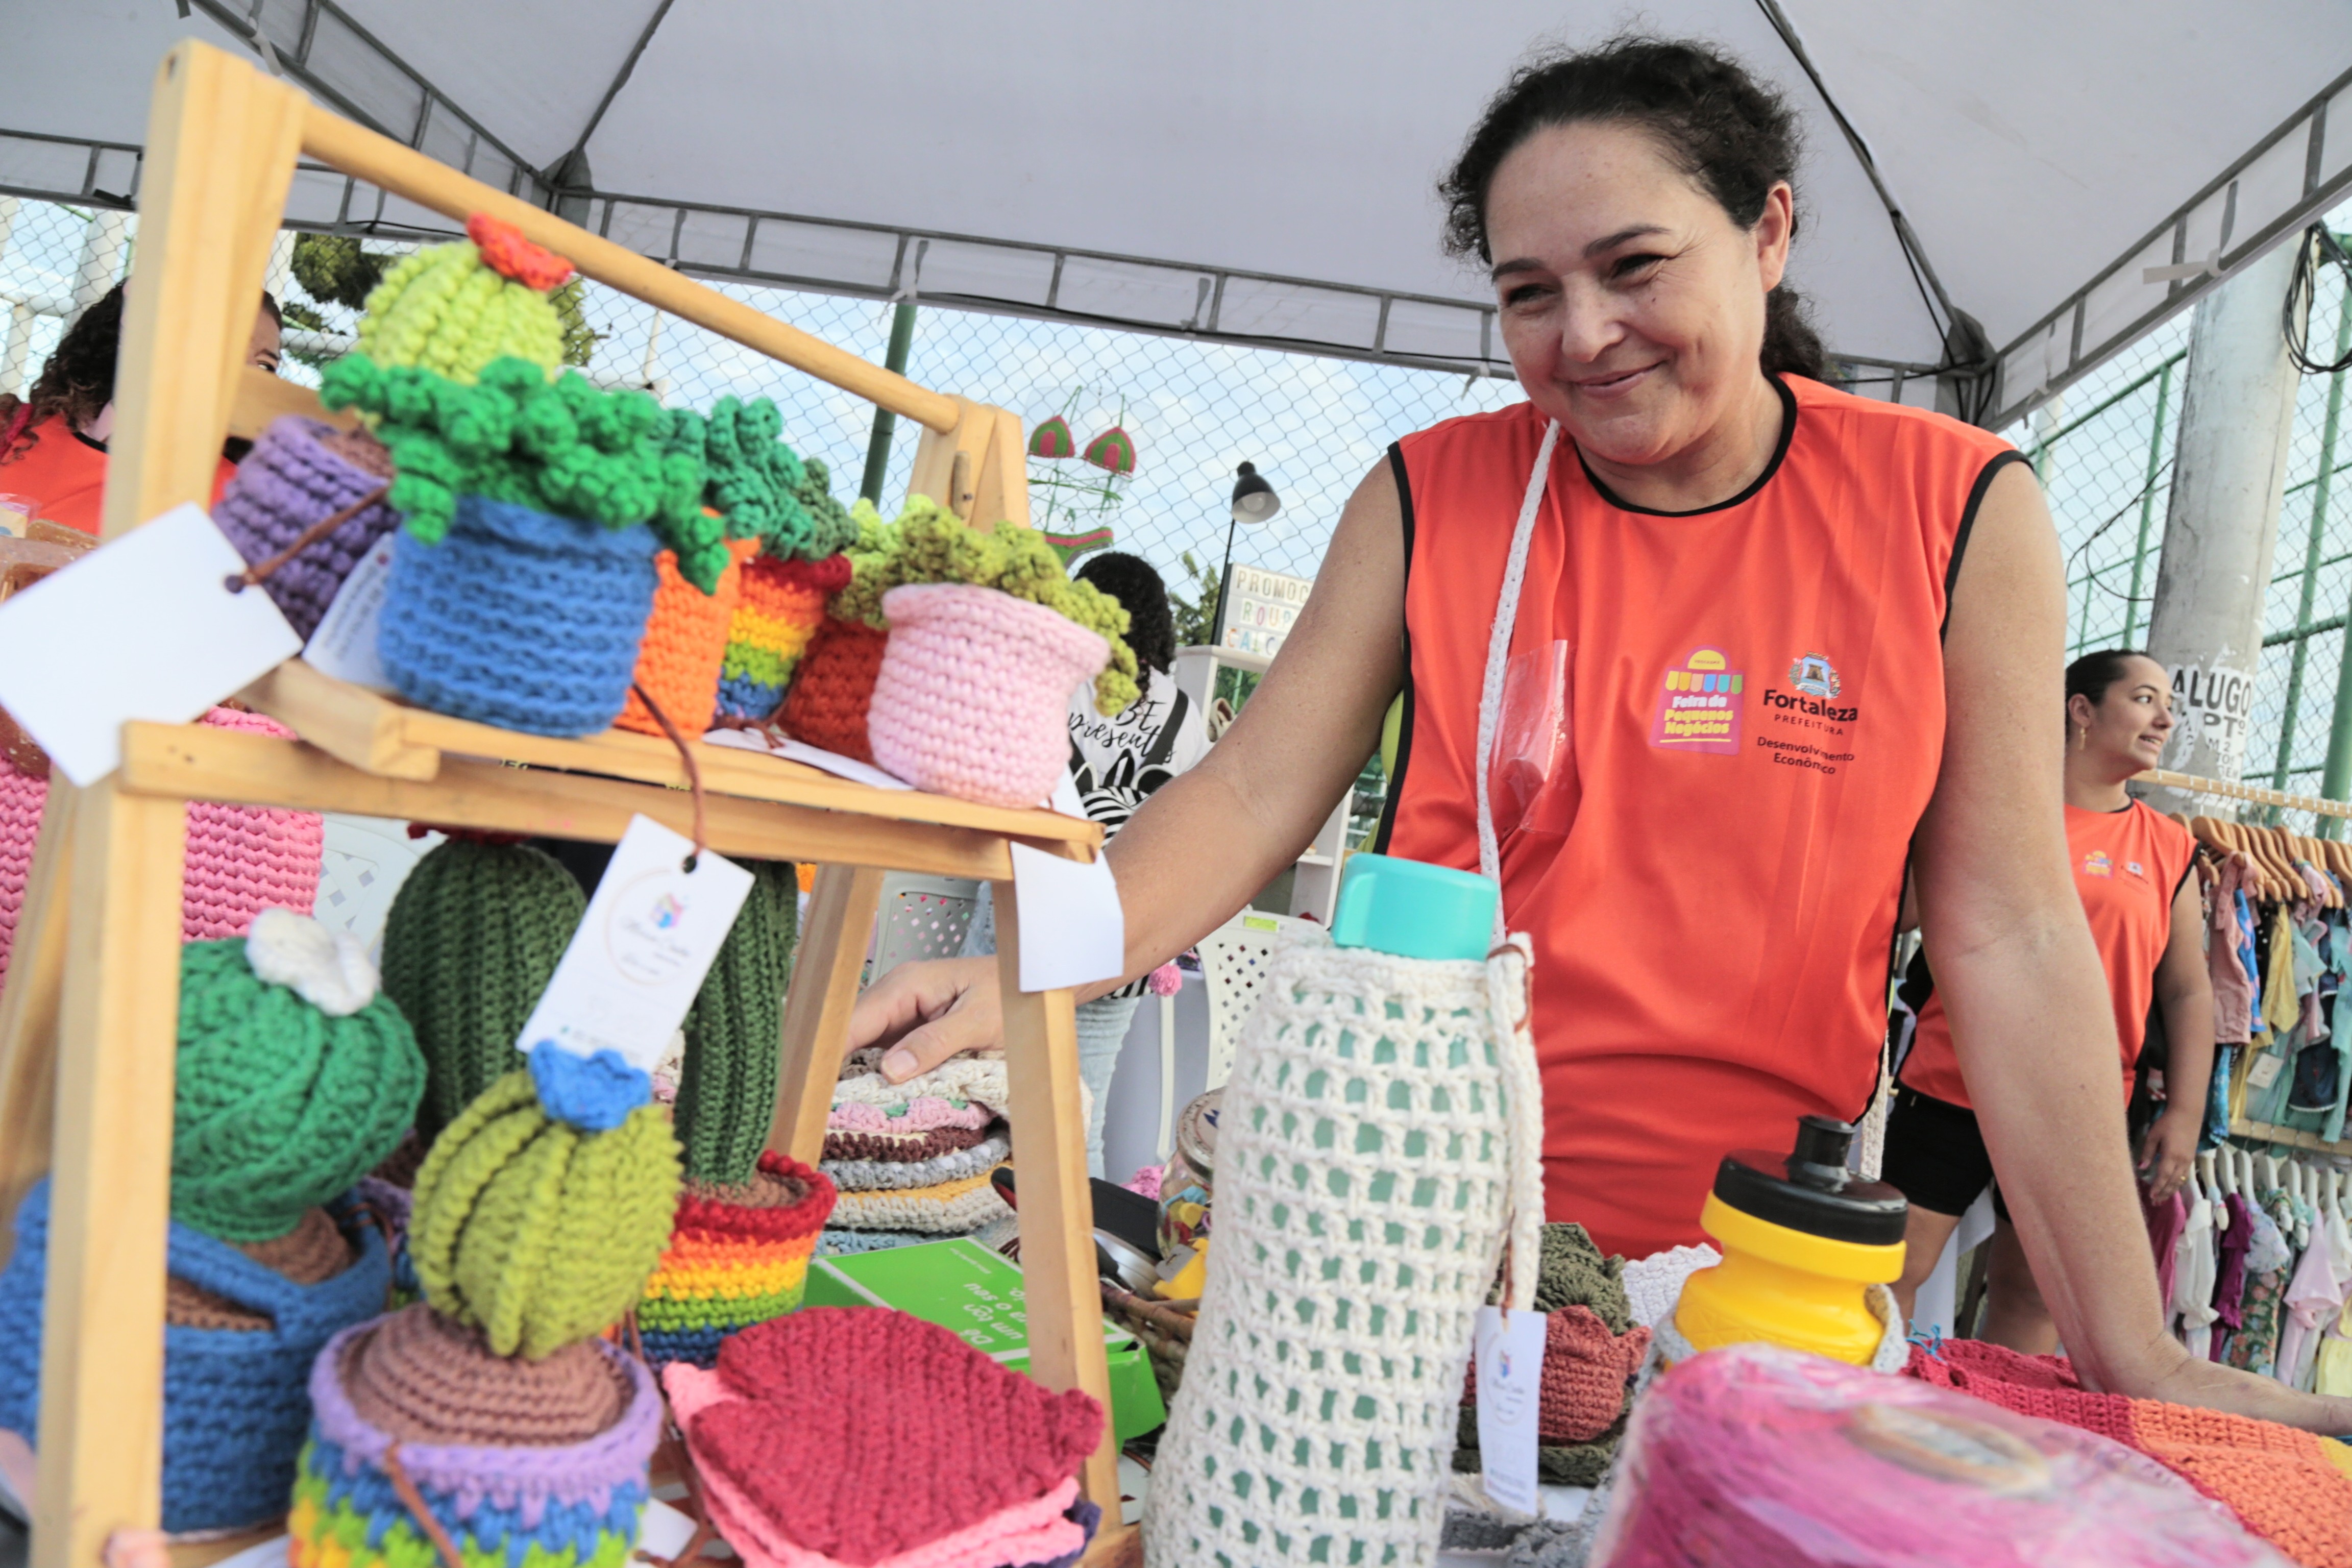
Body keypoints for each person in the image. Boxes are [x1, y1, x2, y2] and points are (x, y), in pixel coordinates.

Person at [849, 36, 2352, 1427]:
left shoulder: (1955, 512)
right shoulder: (1437, 492)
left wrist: (2134, 1350)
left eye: (1636, 266)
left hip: (1743, 1290)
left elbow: (2014, 932)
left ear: (1769, 234)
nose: (1584, 335)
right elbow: (1247, 793)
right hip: (1386, 1248)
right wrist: (1032, 964)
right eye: (1526, 293)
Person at [1885, 650, 2209, 1351]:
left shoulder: (2169, 846)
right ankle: (1854, 1427)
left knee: (2035, 1294)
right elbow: (1905, 915)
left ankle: (1993, 1446)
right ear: (2081, 710)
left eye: (2169, 705)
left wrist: (2184, 1114)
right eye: (2145, 698)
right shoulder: (1994, 807)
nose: (2165, 718)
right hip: (1955, 1080)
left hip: (2083, 1105)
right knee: (1891, 1272)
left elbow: (2186, 991)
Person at [958, 551, 1212, 1177]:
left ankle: (965, 1228)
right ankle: (1069, 1252)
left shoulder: (1053, 676)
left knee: (976, 1084)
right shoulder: (1182, 714)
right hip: (1121, 924)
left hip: (1024, 897)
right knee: (1082, 1106)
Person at [0, 281, 282, 534]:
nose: (246, 377)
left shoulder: (247, 503)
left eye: (264, 366)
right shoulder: (12, 430)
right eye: (224, 347)